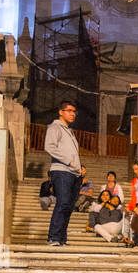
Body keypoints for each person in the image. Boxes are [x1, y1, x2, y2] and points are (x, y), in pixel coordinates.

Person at [45, 100, 82, 246]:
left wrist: (78, 168)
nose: (72, 114)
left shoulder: (69, 131)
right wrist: (69, 161)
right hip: (61, 171)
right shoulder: (55, 127)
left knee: (68, 206)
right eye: (69, 111)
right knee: (63, 203)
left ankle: (61, 238)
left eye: (74, 111)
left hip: (73, 173)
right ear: (61, 112)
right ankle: (53, 236)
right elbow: (49, 147)